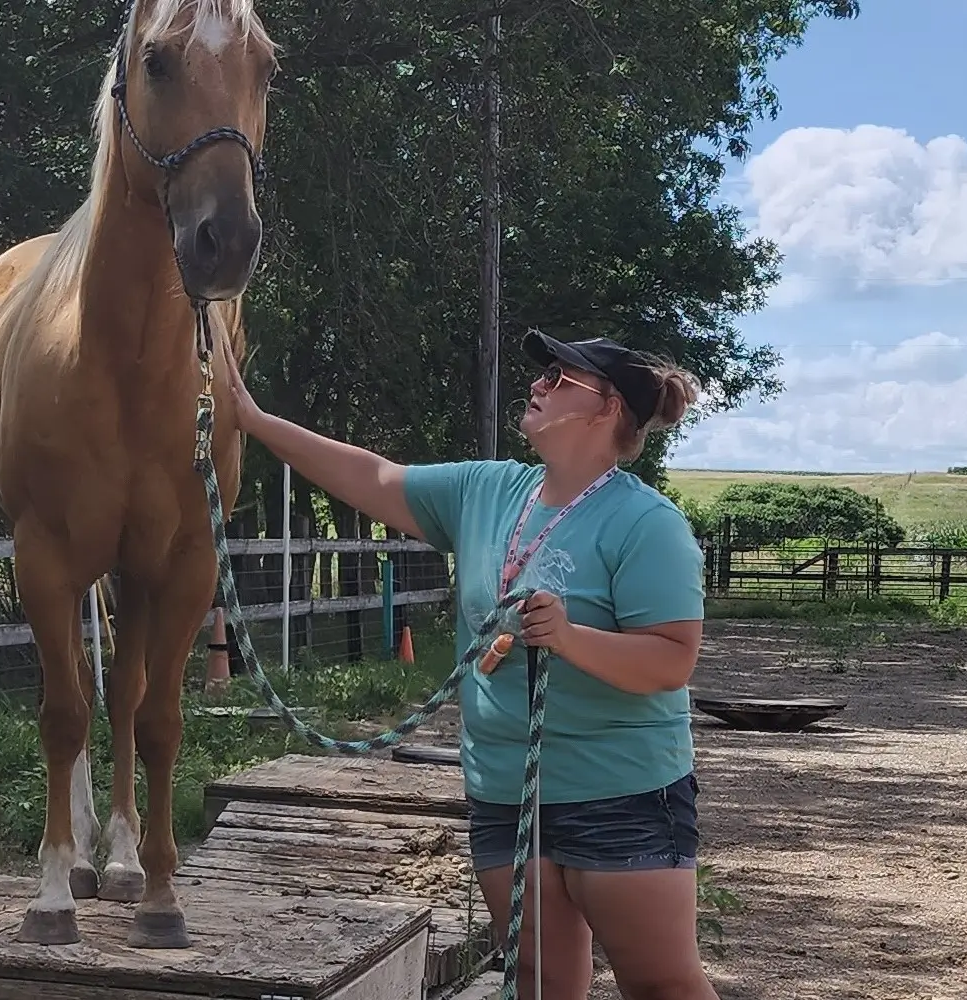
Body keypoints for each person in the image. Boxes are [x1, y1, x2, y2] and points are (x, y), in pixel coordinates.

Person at [218, 329, 717, 1000]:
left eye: (560, 378)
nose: (538, 383)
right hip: (506, 791)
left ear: (607, 409)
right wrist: (252, 419)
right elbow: (374, 476)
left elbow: (670, 660)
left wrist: (570, 639)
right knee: (538, 980)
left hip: (620, 794)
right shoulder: (487, 492)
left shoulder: (646, 525)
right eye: (543, 373)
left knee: (659, 983)